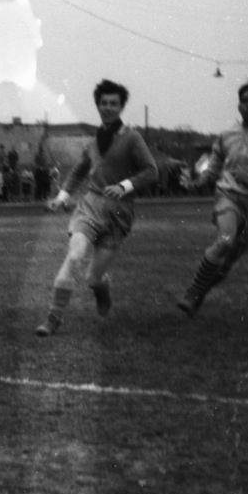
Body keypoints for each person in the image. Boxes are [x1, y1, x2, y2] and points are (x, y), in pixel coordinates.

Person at [34, 79, 158, 337]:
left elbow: (151, 171)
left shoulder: (132, 137)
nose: (108, 107)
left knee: (92, 278)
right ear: (97, 105)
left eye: (114, 103)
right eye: (104, 103)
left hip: (119, 213)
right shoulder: (93, 141)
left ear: (122, 106)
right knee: (75, 254)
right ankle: (53, 318)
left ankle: (101, 289)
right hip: (90, 206)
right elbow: (79, 170)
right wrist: (62, 196)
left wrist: (124, 186)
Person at [176, 81, 248, 318]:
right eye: (244, 101)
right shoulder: (227, 134)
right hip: (228, 196)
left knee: (226, 263)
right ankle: (192, 292)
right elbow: (215, 163)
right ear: (239, 104)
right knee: (225, 240)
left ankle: (200, 294)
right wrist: (199, 181)